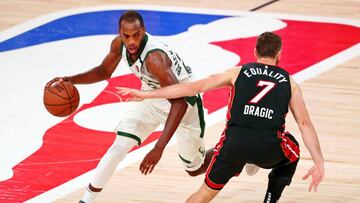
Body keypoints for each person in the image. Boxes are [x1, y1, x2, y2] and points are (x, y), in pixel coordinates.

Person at [46, 10, 257, 202]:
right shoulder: (119, 44)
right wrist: (69, 79)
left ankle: (244, 153)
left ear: (143, 31)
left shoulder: (155, 58)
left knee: (195, 168)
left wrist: (158, 147)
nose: (131, 41)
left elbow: (179, 103)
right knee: (118, 147)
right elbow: (103, 72)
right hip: (152, 97)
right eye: (126, 35)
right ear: (120, 32)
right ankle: (87, 200)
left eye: (136, 35)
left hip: (185, 105)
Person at [117, 32, 325, 203]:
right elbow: (305, 124)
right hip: (268, 146)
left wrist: (145, 94)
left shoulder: (237, 72)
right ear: (279, 54)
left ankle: (247, 161)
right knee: (293, 150)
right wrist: (319, 163)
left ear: (255, 52)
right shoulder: (290, 82)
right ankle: (270, 199)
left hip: (234, 144)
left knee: (203, 195)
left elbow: (191, 88)